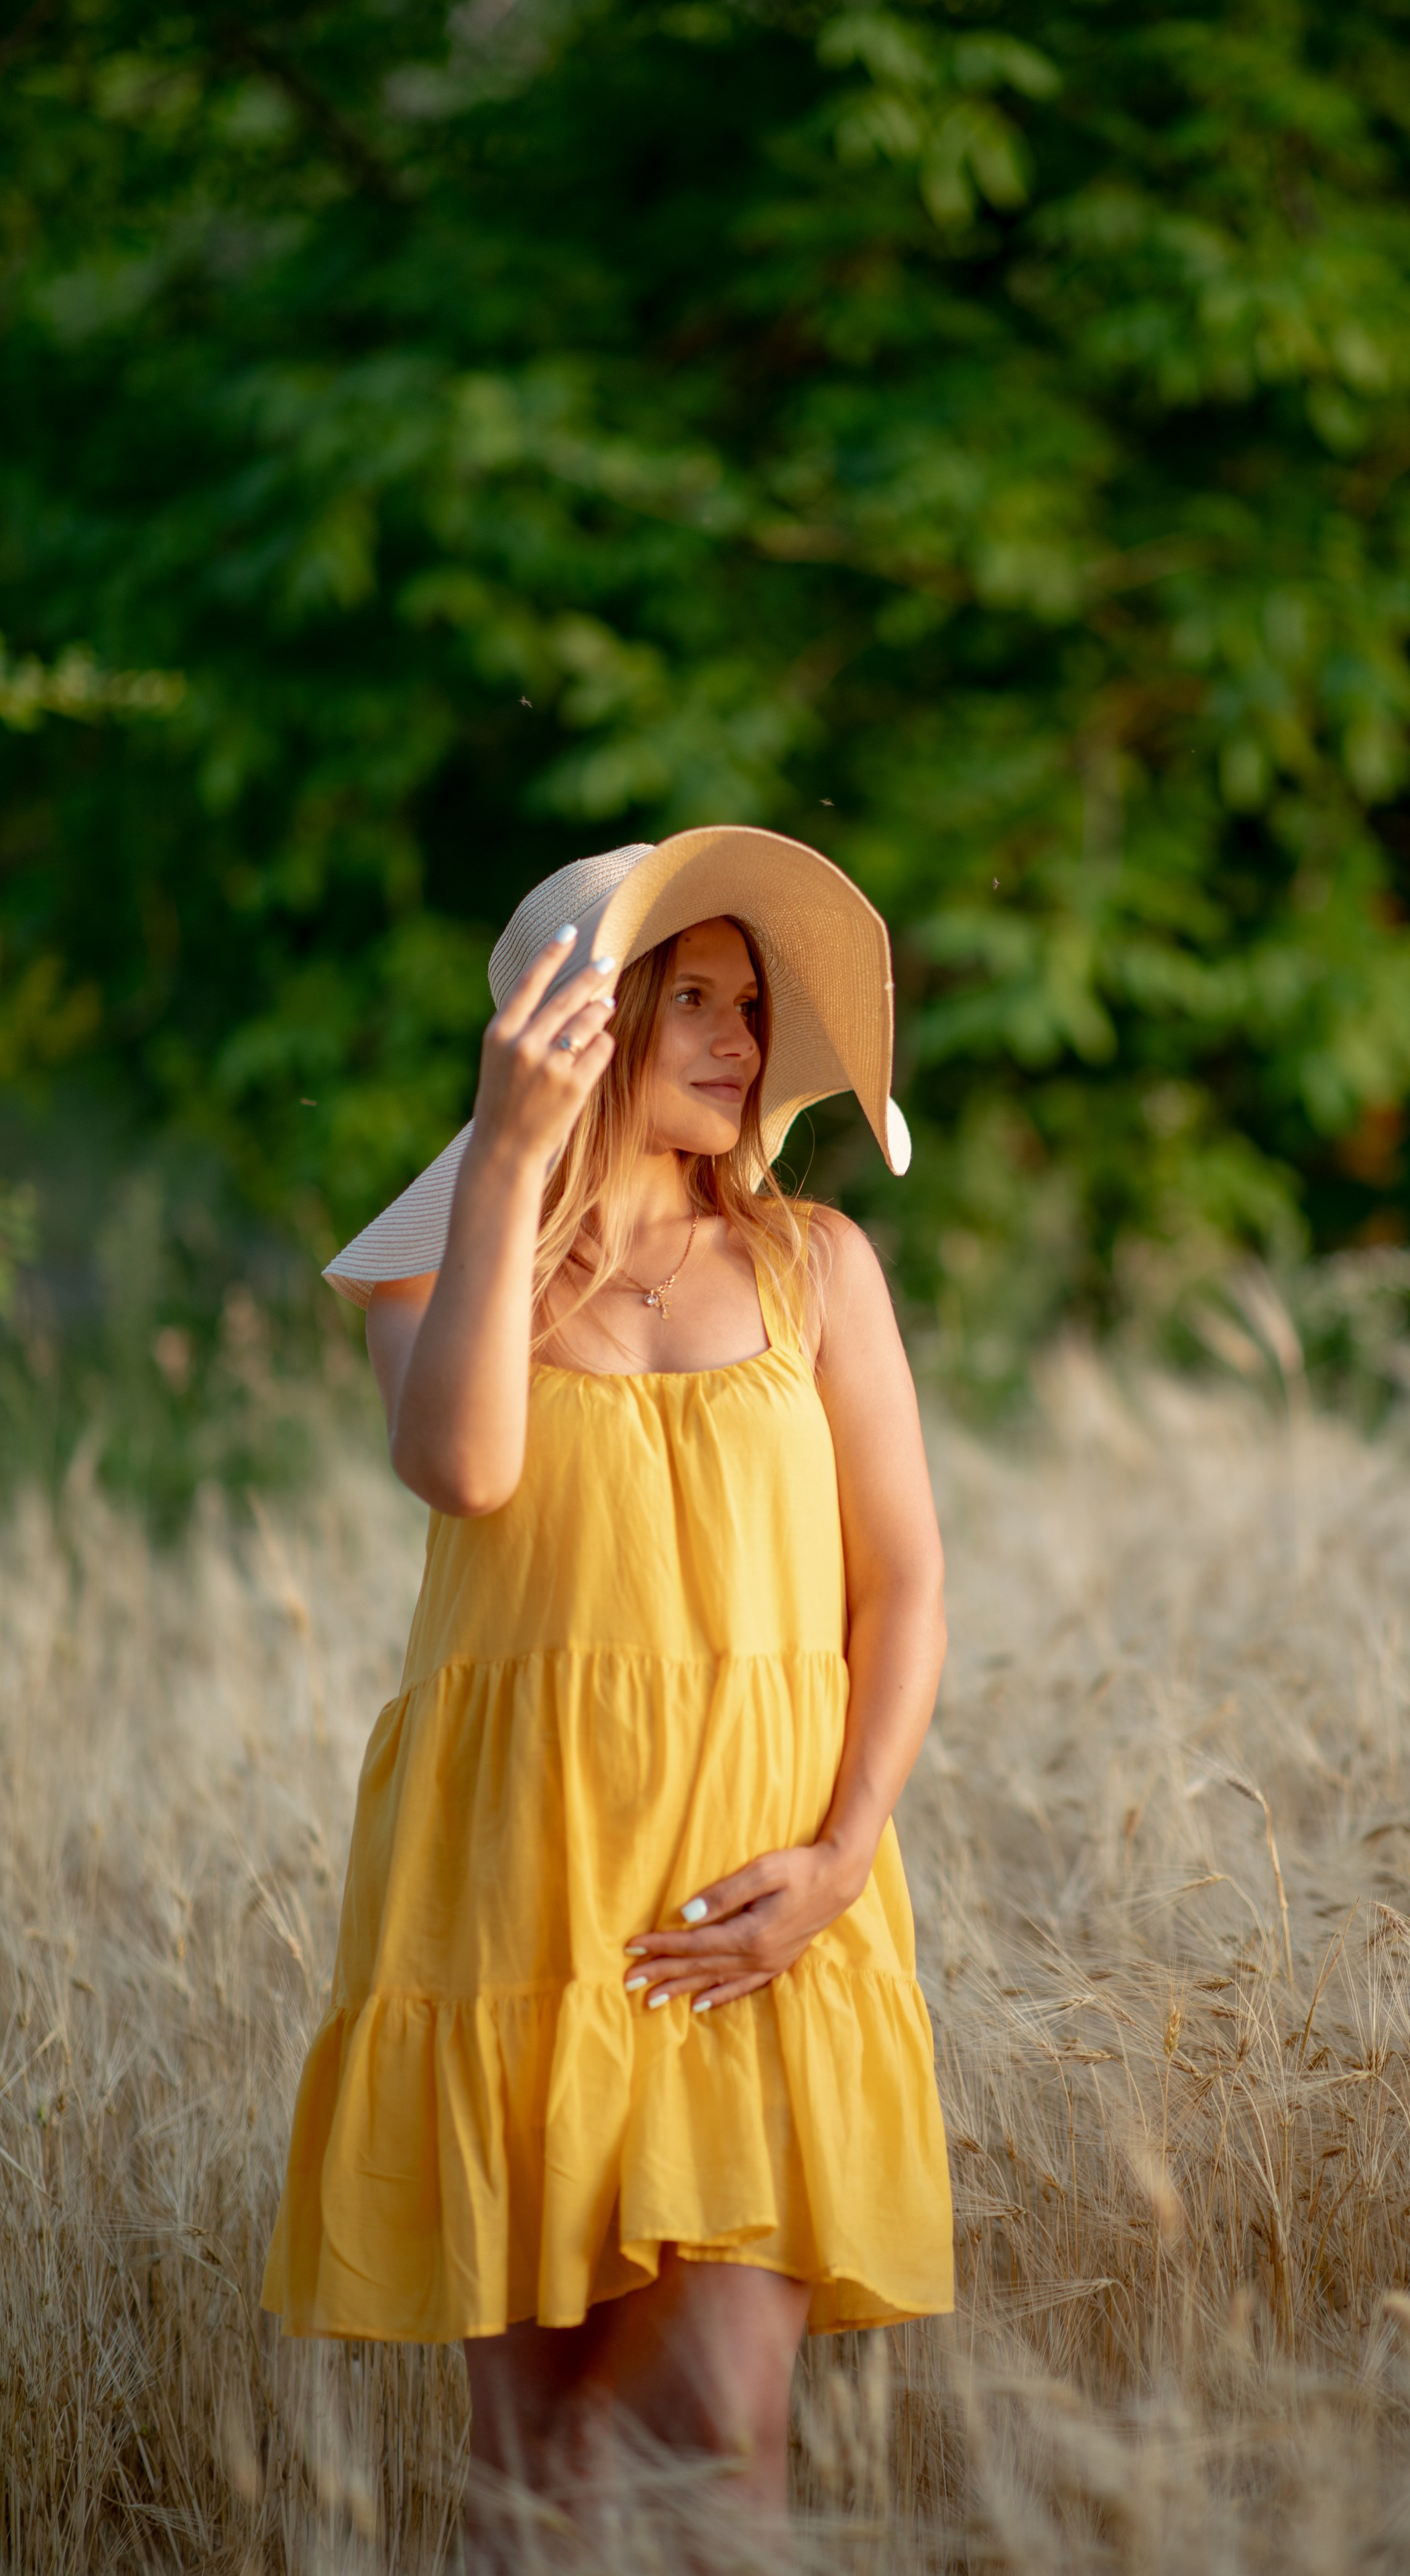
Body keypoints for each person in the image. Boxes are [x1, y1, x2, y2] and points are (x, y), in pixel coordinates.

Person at [261, 828, 955, 2550]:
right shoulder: (436, 1277)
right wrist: (502, 1161)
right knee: (543, 2478)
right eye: (693, 999)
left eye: (750, 1001)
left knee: (720, 2447)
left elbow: (904, 1580)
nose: (739, 1036)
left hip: (754, 1914)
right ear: (585, 1024)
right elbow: (467, 1469)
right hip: (518, 1910)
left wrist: (847, 1849)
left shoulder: (816, 1268)